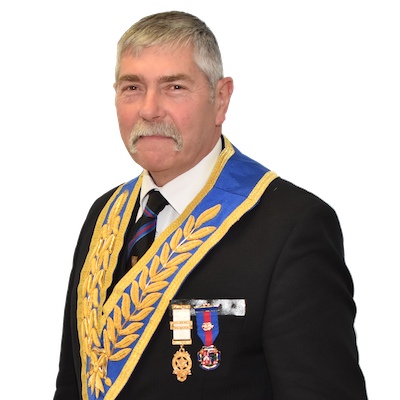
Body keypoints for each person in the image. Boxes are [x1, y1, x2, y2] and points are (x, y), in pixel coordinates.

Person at [53, 10, 368, 400]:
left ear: (221, 99)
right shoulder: (103, 215)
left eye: (174, 87)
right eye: (132, 87)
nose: (149, 109)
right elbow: (74, 384)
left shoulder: (291, 226)